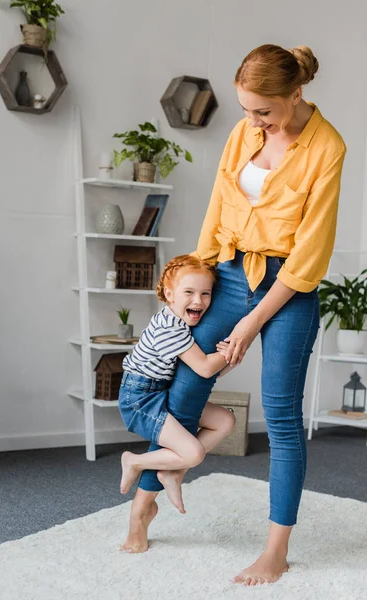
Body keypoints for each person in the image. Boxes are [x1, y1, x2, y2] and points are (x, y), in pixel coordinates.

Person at [121, 43, 346, 585]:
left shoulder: (328, 147)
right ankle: (145, 501)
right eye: (247, 110)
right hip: (225, 273)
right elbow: (218, 207)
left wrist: (250, 324)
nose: (254, 122)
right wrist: (193, 278)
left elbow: (309, 256)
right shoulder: (243, 132)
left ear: (296, 94)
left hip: (286, 288)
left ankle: (275, 550)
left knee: (283, 417)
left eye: (263, 111)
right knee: (183, 392)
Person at [118, 254, 235, 519]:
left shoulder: (181, 322)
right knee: (193, 453)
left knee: (225, 421)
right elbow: (205, 366)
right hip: (139, 399)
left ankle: (173, 471)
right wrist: (236, 346)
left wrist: (230, 359)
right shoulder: (169, 327)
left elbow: (209, 370)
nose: (198, 301)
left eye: (206, 293)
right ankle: (133, 460)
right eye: (189, 292)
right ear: (169, 294)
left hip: (159, 392)